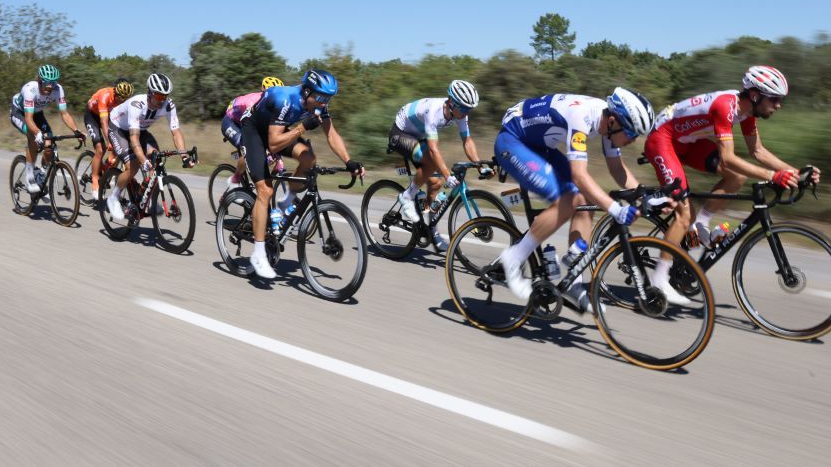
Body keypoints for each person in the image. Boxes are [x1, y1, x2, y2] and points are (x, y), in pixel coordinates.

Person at [643, 65, 821, 305]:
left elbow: (757, 150)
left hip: (686, 142)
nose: (778, 105)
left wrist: (795, 173)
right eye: (775, 99)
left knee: (736, 178)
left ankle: (701, 225)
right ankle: (659, 280)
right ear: (756, 95)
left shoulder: (748, 112)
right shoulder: (725, 106)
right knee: (684, 214)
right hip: (662, 139)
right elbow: (728, 158)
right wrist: (772, 176)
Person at [493, 88, 655, 311]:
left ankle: (574, 281)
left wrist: (646, 195)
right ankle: (513, 257)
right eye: (631, 133)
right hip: (513, 142)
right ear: (613, 121)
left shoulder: (608, 125)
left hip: (540, 146)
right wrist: (615, 209)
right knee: (571, 198)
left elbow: (617, 170)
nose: (633, 140)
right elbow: (579, 175)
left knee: (585, 201)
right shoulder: (583, 116)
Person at [238, 68, 364, 279]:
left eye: (329, 98)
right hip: (254, 131)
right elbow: (274, 144)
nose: (324, 102)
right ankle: (258, 254)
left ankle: (285, 205)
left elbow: (331, 134)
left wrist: (349, 161)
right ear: (306, 91)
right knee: (265, 190)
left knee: (309, 159)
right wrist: (302, 127)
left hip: (279, 130)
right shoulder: (285, 99)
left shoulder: (318, 105)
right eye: (321, 97)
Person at [388, 80, 492, 250]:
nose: (467, 113)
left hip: (418, 135)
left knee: (435, 184)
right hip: (400, 133)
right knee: (430, 161)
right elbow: (434, 150)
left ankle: (432, 230)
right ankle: (406, 196)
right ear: (452, 103)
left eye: (469, 109)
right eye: (465, 108)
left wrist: (480, 165)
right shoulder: (434, 111)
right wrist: (448, 175)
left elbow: (467, 141)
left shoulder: (459, 113)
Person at [104, 73, 196, 222]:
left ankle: (149, 201)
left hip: (140, 130)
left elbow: (176, 132)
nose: (162, 100)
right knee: (133, 166)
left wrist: (184, 156)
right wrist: (142, 159)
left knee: (156, 159)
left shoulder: (168, 105)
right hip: (119, 129)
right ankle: (114, 197)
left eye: (165, 96)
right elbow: (133, 138)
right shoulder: (137, 104)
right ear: (149, 92)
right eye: (159, 96)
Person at [9, 64, 84, 193]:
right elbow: (28, 118)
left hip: (37, 113)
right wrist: (37, 133)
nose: (50, 86)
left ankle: (42, 174)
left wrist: (76, 131)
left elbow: (64, 113)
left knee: (48, 144)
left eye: (53, 83)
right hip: (20, 113)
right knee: (33, 138)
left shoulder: (58, 90)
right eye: (47, 82)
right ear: (40, 80)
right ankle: (30, 177)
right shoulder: (30, 89)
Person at [221, 76, 286, 191]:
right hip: (231, 122)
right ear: (263, 92)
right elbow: (252, 127)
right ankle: (234, 179)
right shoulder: (253, 103)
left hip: (248, 122)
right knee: (248, 148)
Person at [84, 78, 134, 196]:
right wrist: (109, 141)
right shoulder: (105, 95)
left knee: (119, 147)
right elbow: (104, 122)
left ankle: (106, 170)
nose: (121, 101)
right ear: (115, 92)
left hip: (110, 117)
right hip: (93, 117)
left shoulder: (125, 101)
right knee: (101, 148)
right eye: (119, 97)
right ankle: (95, 180)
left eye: (124, 99)